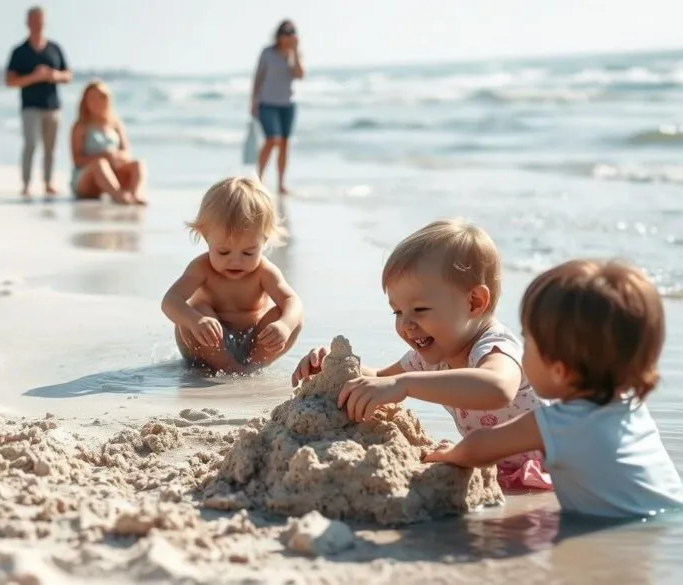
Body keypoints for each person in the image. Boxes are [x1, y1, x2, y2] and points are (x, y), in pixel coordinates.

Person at [292, 219, 551, 490]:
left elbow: (498, 388)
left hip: (556, 466)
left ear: (474, 302)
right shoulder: (433, 355)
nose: (406, 324)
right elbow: (380, 377)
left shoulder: (495, 347)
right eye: (398, 311)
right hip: (501, 471)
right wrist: (333, 365)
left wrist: (404, 385)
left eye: (420, 309)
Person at [424, 260, 683, 517]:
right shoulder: (631, 405)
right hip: (673, 508)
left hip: (622, 526)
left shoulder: (557, 423)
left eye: (527, 341)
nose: (522, 351)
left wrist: (448, 455)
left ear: (558, 369)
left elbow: (479, 447)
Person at [162, 176, 303, 373]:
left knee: (289, 316)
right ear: (205, 237)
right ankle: (229, 367)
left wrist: (284, 326)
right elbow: (170, 301)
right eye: (223, 252)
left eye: (248, 252)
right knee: (197, 310)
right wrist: (195, 320)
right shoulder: (201, 268)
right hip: (204, 344)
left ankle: (250, 366)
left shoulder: (264, 271)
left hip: (252, 343)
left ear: (264, 239)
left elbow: (292, 300)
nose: (236, 261)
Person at [5, 5, 72, 200]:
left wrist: (53, 75)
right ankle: (26, 184)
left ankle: (48, 182)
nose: (38, 24)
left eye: (41, 20)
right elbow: (10, 81)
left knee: (51, 147)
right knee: (31, 145)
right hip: (30, 107)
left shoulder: (55, 49)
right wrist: (33, 77)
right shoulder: (19, 51)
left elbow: (68, 75)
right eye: (34, 20)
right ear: (27, 23)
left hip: (53, 106)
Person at [250, 19, 304, 195]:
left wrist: (294, 51)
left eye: (292, 32)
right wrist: (253, 101)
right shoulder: (267, 53)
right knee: (272, 139)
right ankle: (259, 178)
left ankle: (281, 184)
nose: (288, 36)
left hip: (287, 104)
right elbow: (258, 76)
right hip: (267, 103)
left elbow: (300, 75)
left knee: (284, 144)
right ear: (278, 35)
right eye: (285, 33)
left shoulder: (295, 54)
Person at [70, 80, 147, 205]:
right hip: (86, 180)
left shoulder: (116, 124)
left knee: (139, 163)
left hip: (112, 174)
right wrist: (103, 157)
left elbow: (127, 153)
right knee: (100, 163)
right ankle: (118, 195)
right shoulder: (80, 126)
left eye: (100, 97)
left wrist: (115, 156)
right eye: (92, 98)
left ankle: (136, 194)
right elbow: (77, 160)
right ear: (85, 102)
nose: (97, 102)